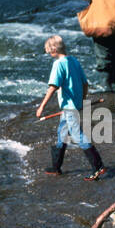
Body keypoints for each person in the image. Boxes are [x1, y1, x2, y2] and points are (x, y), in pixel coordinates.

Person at [36, 35, 106, 180]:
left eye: (49, 51)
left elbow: (53, 87)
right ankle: (56, 168)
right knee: (62, 133)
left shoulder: (58, 64)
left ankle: (98, 167)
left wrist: (41, 106)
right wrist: (82, 100)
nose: (49, 54)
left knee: (78, 135)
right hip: (73, 105)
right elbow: (85, 83)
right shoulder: (74, 60)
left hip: (69, 107)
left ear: (54, 49)